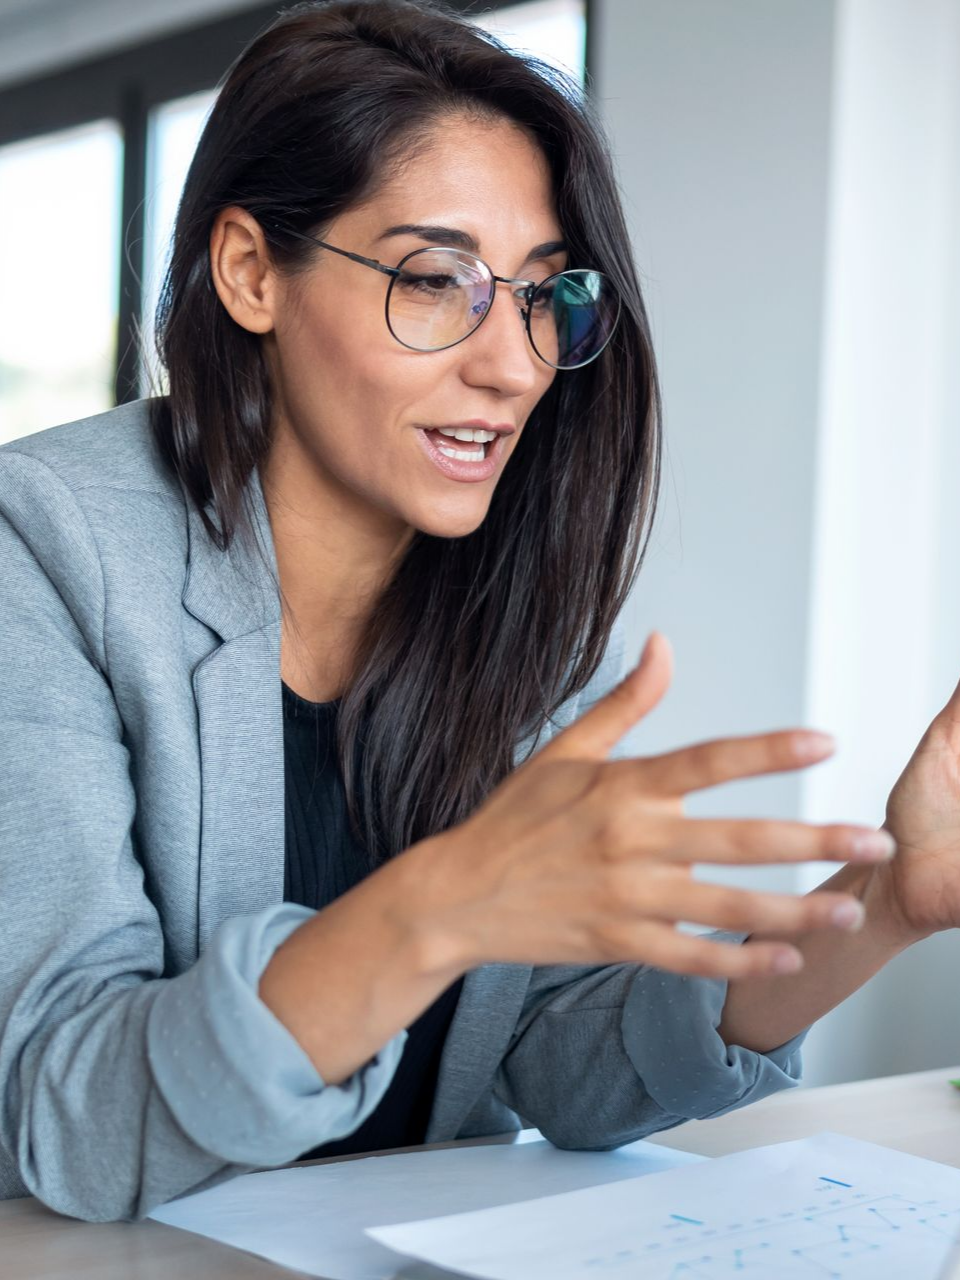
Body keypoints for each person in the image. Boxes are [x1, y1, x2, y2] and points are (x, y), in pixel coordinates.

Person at [0, 0, 956, 1225]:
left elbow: (560, 1053)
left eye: (540, 295)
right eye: (436, 279)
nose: (511, 363)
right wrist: (439, 902)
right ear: (250, 272)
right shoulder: (47, 547)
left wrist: (881, 908)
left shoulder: (518, 602)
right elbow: (68, 1112)